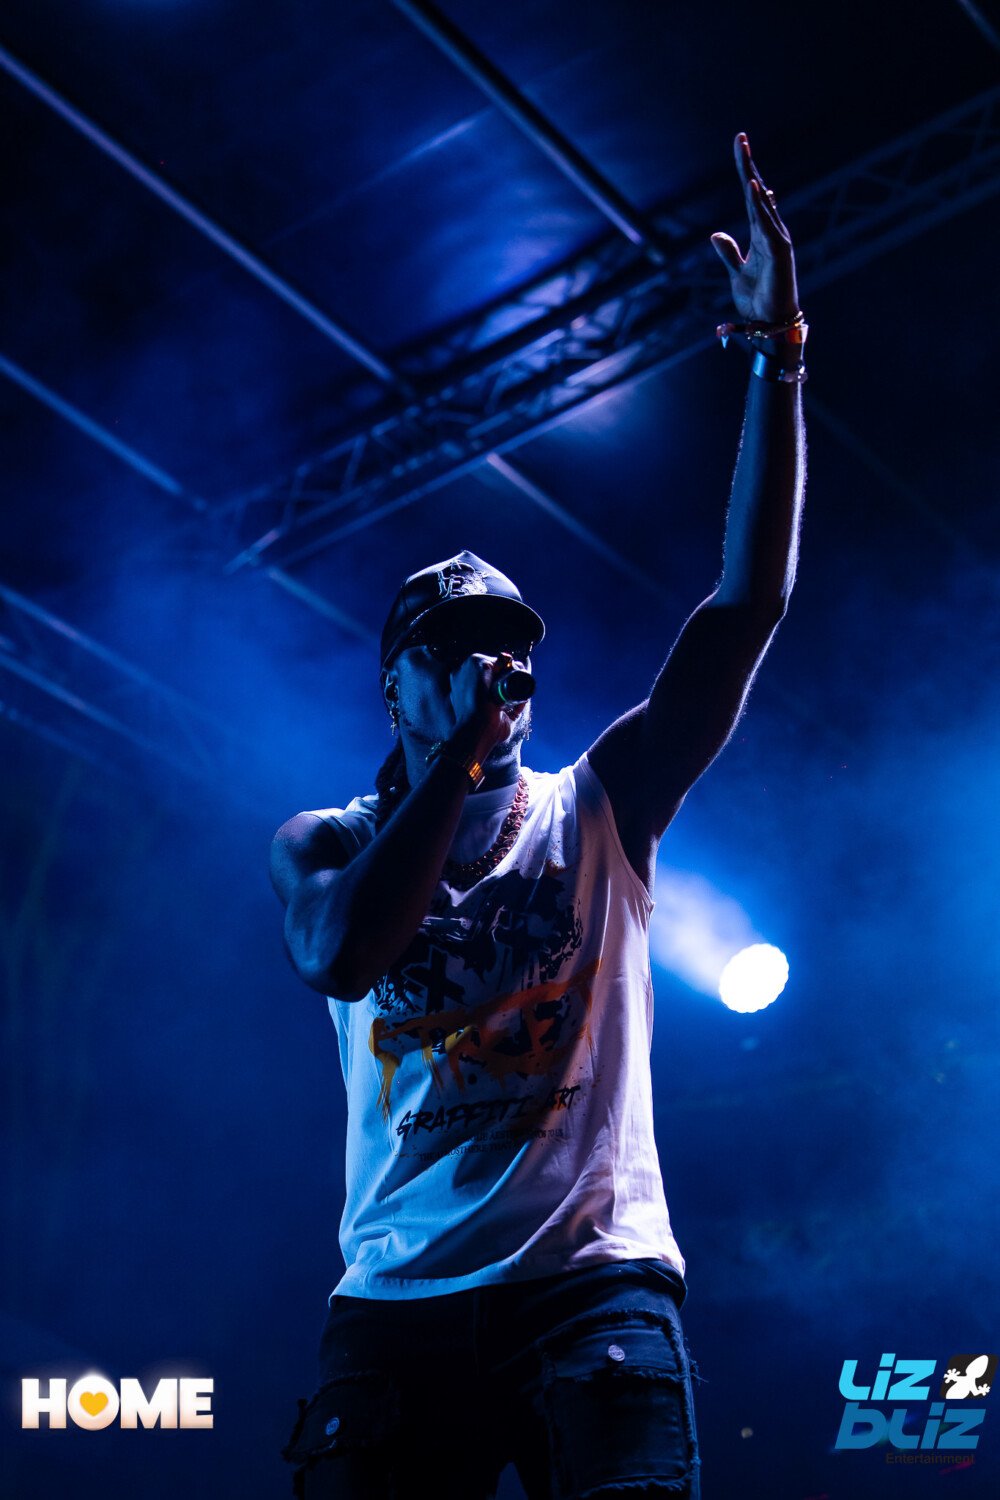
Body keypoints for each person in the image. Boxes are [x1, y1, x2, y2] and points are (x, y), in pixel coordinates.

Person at [272, 131, 806, 1500]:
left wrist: (777, 357)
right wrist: (454, 761)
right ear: (396, 684)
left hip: (593, 1289)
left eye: (511, 645)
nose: (496, 665)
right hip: (398, 1308)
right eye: (458, 648)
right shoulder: (325, 842)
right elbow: (344, 954)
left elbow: (744, 608)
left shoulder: (602, 804)